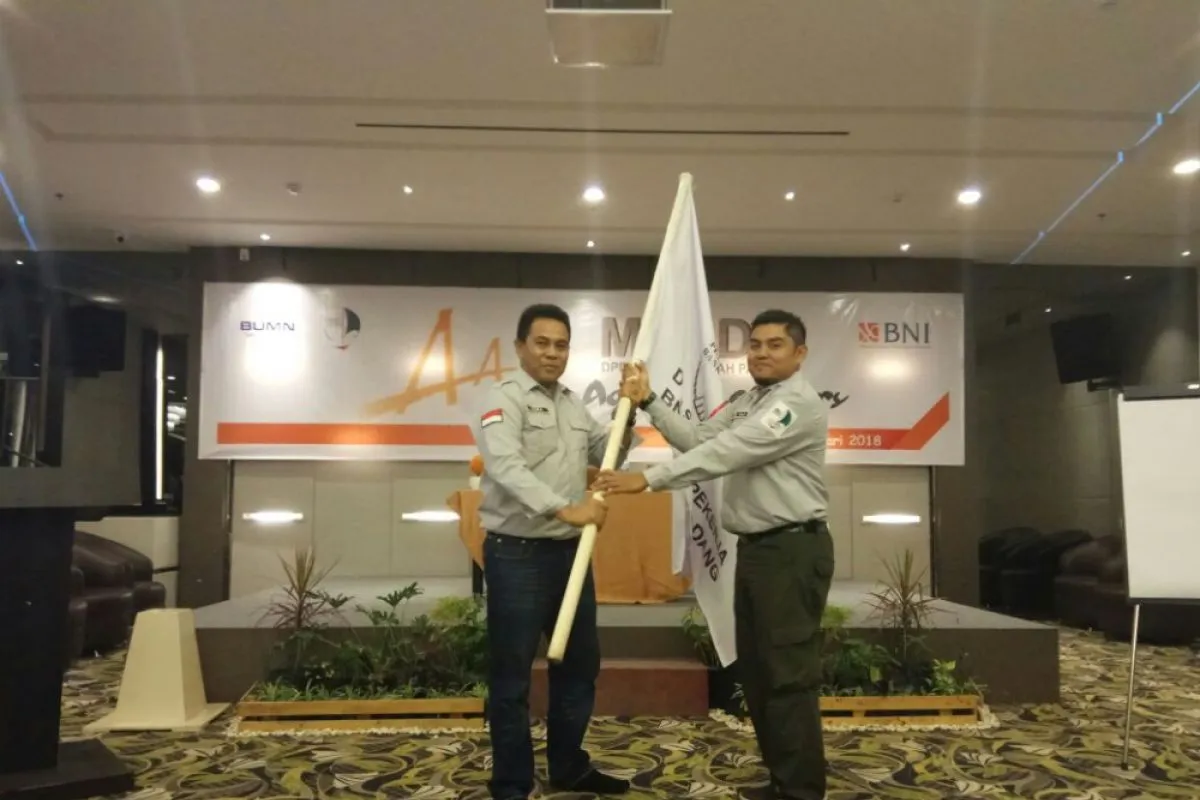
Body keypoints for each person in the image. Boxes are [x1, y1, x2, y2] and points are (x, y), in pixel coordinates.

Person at [592, 309, 832, 800]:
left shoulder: (795, 405)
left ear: (800, 353)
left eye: (775, 345)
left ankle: (802, 791)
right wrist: (651, 401)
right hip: (759, 552)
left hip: (791, 551)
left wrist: (649, 479)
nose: (761, 353)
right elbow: (700, 440)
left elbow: (730, 453)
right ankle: (783, 780)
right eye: (755, 345)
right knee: (759, 675)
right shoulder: (748, 401)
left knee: (787, 677)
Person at [473, 302, 638, 800]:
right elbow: (505, 467)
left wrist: (629, 411)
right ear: (520, 346)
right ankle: (511, 784)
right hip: (516, 557)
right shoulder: (503, 399)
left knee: (579, 669)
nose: (552, 353)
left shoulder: (571, 404)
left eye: (561, 345)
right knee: (512, 678)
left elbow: (606, 452)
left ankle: (568, 767)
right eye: (542, 343)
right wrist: (566, 509)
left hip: (570, 558)